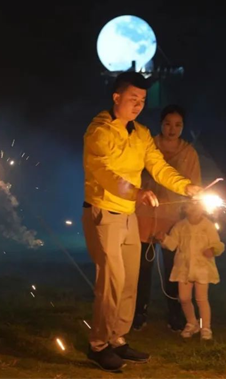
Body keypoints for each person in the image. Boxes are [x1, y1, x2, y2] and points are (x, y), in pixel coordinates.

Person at [82, 72, 202, 372]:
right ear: (116, 97)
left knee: (129, 282)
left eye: (143, 100)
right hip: (103, 213)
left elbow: (158, 166)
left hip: (129, 215)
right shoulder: (99, 132)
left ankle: (117, 338)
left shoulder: (141, 133)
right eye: (133, 99)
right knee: (111, 282)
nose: (138, 105)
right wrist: (137, 192)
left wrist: (186, 186)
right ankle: (98, 345)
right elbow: (104, 174)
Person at [134, 105, 201, 332]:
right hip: (145, 215)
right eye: (168, 124)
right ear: (161, 124)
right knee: (142, 267)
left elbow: (194, 185)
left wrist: (191, 213)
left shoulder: (188, 153)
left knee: (174, 268)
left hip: (173, 218)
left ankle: (175, 313)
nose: (172, 129)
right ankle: (138, 312)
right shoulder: (149, 146)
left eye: (178, 125)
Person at [155, 201, 224, 340]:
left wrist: (213, 250)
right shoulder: (180, 226)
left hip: (202, 267)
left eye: (197, 207)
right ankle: (192, 323)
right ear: (185, 209)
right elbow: (173, 244)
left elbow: (217, 244)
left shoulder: (208, 226)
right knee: (184, 298)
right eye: (190, 208)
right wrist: (164, 239)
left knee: (201, 299)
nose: (194, 210)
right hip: (184, 268)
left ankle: (205, 327)